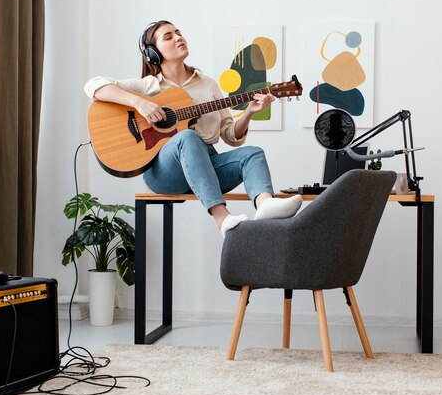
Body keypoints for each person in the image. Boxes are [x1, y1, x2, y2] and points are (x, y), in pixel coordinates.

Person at [84, 20, 302, 237]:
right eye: (168, 36)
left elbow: (231, 136)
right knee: (187, 136)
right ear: (153, 53)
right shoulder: (149, 86)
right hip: (166, 172)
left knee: (253, 153)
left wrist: (249, 112)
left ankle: (265, 204)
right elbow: (93, 85)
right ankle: (222, 219)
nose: (179, 37)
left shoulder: (208, 85)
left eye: (178, 33)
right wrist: (139, 103)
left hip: (206, 165)